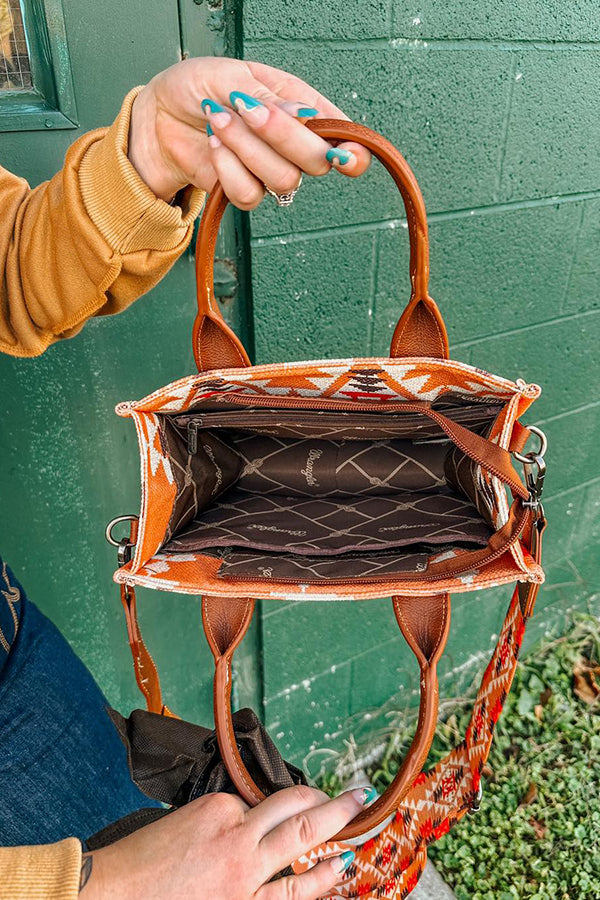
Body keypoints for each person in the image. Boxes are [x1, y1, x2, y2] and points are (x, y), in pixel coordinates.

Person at [0, 57, 374, 898]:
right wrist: (88, 887)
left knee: (125, 804)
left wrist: (144, 160)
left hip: (8, 646)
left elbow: (8, 271)